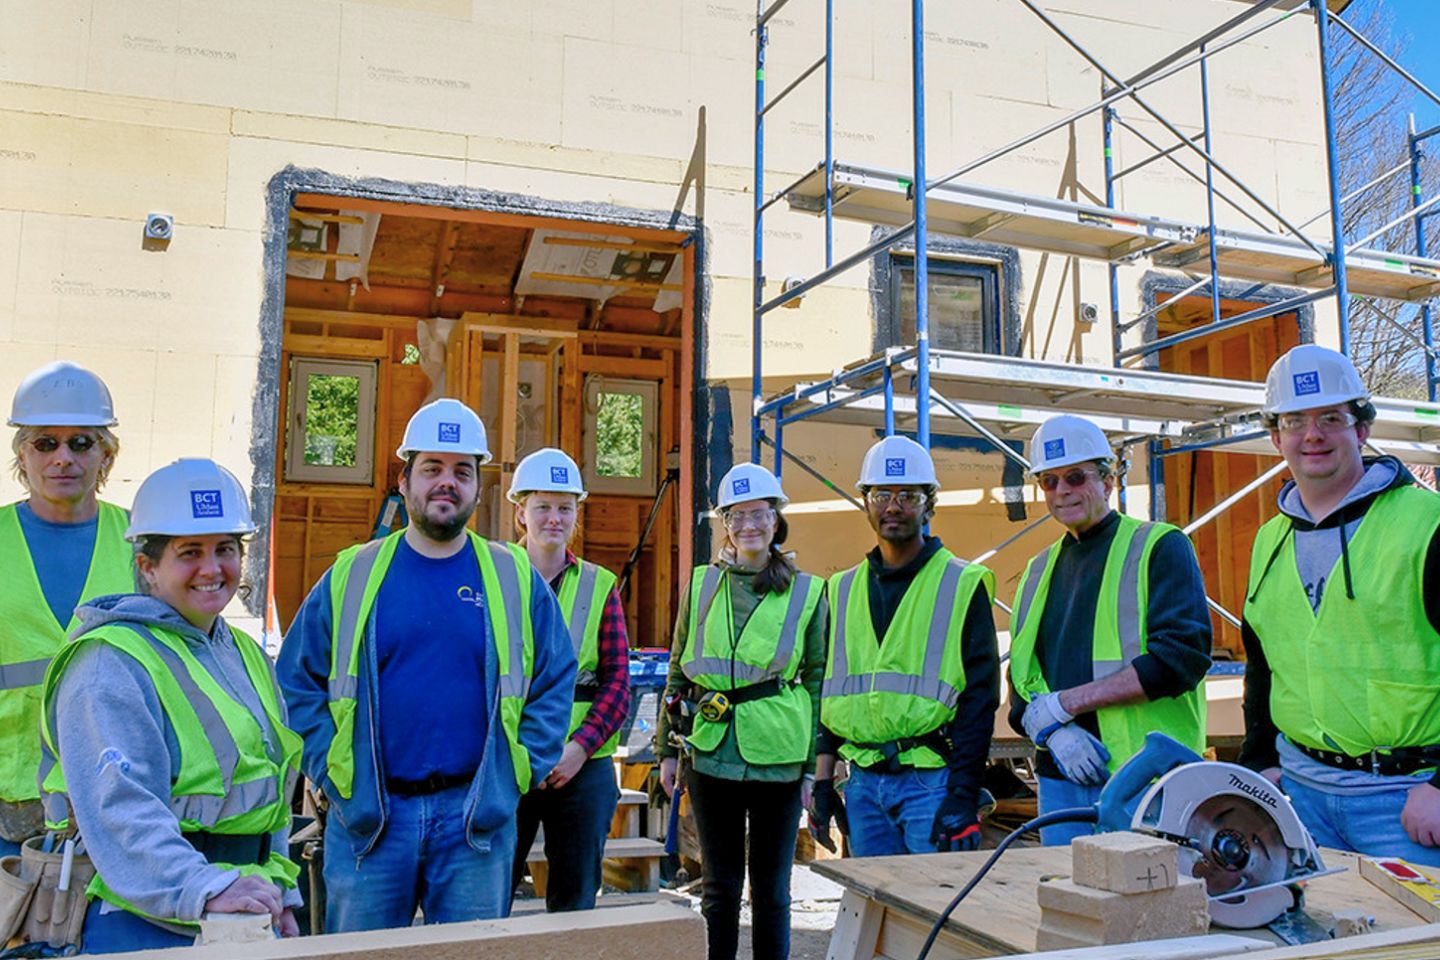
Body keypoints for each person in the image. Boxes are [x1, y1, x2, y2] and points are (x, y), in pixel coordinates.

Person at [278, 398, 575, 931]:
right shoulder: (353, 574)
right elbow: (295, 680)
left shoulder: (512, 576)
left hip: (474, 824)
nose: (447, 483)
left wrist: (518, 772)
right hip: (371, 819)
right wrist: (327, 766)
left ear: (477, 486)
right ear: (404, 478)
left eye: (462, 471)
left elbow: (556, 678)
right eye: (432, 469)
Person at [39, 458, 303, 954]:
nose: (212, 569)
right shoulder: (110, 661)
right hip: (143, 919)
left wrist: (282, 892)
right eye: (189, 552)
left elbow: (269, 796)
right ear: (147, 566)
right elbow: (122, 811)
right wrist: (205, 888)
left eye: (226, 549)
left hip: (237, 909)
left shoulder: (242, 652)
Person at [1240, 344, 1440, 864]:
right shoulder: (1268, 540)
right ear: (1274, 434)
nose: (1312, 435)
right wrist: (1260, 758)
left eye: (1331, 417)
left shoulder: (1427, 524)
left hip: (1407, 800)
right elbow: (1264, 662)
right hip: (1301, 797)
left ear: (1362, 428)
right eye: (1294, 421)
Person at [1007, 415, 1211, 846]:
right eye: (1049, 481)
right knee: (1068, 903)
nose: (1062, 491)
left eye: (1076, 477)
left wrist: (1065, 705)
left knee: (1152, 904)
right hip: (1062, 778)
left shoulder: (1159, 546)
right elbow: (1021, 683)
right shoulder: (1036, 570)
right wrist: (1053, 731)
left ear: (1107, 480)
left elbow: (1180, 660)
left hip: (1146, 775)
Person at [656, 463, 826, 960]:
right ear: (724, 524)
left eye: (759, 514)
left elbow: (816, 680)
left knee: (772, 893)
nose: (749, 525)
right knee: (720, 888)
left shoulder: (807, 592)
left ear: (777, 521)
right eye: (737, 516)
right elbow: (677, 669)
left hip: (779, 755)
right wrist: (667, 749)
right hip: (710, 753)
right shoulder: (702, 586)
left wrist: (816, 768)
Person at [809, 435, 999, 858]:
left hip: (931, 781)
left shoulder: (960, 584)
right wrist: (822, 783)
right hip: (861, 784)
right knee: (878, 914)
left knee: (931, 912)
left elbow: (980, 698)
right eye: (881, 494)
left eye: (908, 495)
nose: (893, 506)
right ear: (866, 503)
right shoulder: (840, 589)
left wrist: (963, 796)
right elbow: (828, 691)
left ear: (930, 505)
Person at [1, 361, 132, 855]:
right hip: (8, 799)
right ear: (22, 454)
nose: (63, 458)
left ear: (105, 455)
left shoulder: (140, 542)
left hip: (112, 795)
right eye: (45, 443)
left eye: (81, 442)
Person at [507, 448, 630, 912]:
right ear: (521, 512)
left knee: (575, 898)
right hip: (508, 759)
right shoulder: (493, 577)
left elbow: (618, 683)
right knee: (486, 892)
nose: (554, 518)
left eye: (565, 507)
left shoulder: (600, 585)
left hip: (582, 765)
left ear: (577, 512)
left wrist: (578, 749)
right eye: (543, 506)